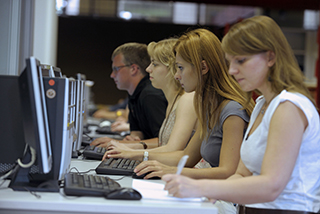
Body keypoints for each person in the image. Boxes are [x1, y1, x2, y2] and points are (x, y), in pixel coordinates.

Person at [163, 16, 320, 214]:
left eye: (241, 61)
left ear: (270, 58)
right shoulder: (262, 104)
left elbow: (272, 185)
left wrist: (202, 187)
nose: (232, 70)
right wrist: (209, 193)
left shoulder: (289, 106)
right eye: (230, 62)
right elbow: (241, 174)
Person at [106, 28, 254, 183]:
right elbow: (187, 157)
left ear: (203, 68)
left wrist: (172, 171)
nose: (176, 75)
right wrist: (132, 154)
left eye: (181, 68)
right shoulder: (209, 107)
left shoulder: (232, 110)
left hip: (225, 199)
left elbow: (227, 172)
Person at [95, 38, 198, 155]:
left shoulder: (180, 99)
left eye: (154, 64)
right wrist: (130, 145)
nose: (148, 69)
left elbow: (174, 150)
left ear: (171, 68)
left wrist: (130, 151)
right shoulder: (172, 102)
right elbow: (163, 145)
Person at [91, 42, 167, 146]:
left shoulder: (150, 95)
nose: (112, 75)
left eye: (116, 69)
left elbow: (164, 142)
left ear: (133, 69)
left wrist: (118, 143)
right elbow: (138, 133)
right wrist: (133, 139)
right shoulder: (135, 93)